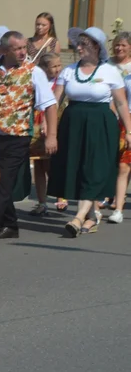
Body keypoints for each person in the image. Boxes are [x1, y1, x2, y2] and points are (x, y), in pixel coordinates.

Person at [0, 31, 58, 241]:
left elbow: (49, 105)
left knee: (4, 181)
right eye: (17, 49)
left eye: (24, 48)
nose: (22, 52)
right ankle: (10, 225)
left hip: (17, 136)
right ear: (4, 51)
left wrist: (51, 136)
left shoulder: (33, 72)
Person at [49, 27, 131, 237]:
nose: (78, 48)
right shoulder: (69, 71)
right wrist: (50, 129)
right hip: (73, 123)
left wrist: (129, 131)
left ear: (96, 47)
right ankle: (92, 217)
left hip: (101, 124)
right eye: (79, 43)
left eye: (83, 44)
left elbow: (121, 104)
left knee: (94, 170)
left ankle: (78, 217)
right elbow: (55, 101)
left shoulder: (109, 71)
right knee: (78, 169)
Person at [28, 52, 64, 216]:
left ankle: (60, 196)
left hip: (54, 121)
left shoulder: (60, 82)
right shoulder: (36, 79)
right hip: (36, 122)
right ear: (43, 68)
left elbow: (57, 103)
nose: (57, 69)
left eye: (59, 65)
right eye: (53, 66)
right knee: (39, 165)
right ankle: (42, 202)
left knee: (52, 163)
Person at [108, 32, 131, 222]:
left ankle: (118, 202)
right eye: (117, 45)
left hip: (128, 117)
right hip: (114, 117)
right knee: (120, 163)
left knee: (125, 165)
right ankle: (117, 206)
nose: (119, 48)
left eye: (123, 45)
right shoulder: (107, 65)